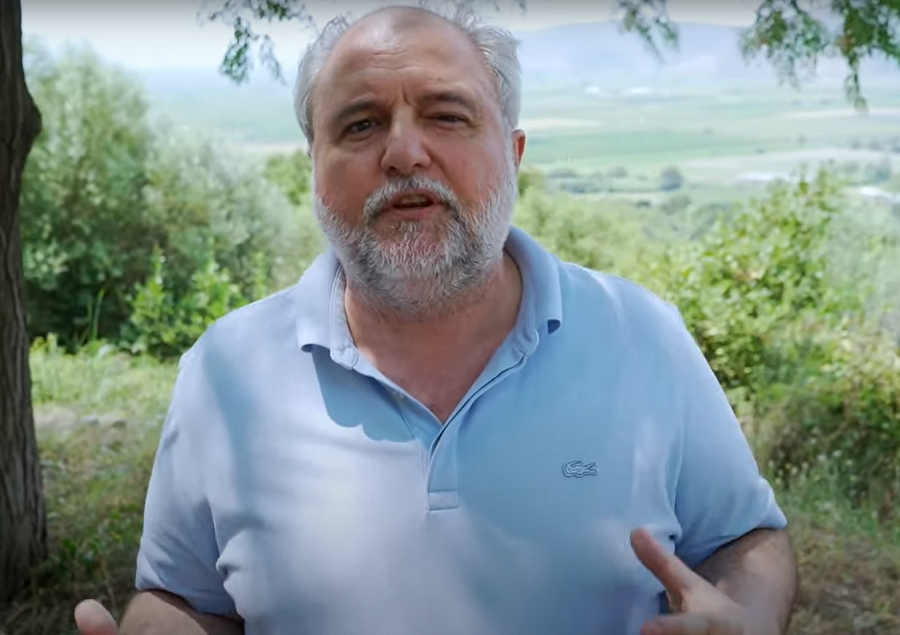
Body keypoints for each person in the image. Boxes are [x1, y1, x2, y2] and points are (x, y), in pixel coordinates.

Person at [74, 3, 798, 634]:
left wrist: (750, 616)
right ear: (314, 167)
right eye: (360, 124)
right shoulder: (225, 370)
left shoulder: (642, 335)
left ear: (513, 154)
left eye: (447, 116)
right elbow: (183, 595)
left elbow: (743, 537)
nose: (403, 152)